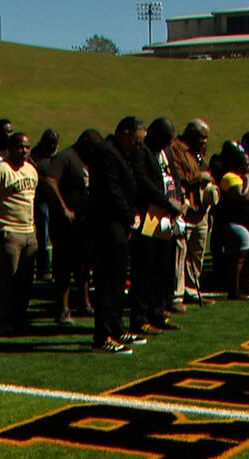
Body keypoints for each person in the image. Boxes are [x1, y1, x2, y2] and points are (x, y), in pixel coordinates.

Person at [89, 117, 144, 354]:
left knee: (119, 280)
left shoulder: (120, 153)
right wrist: (129, 214)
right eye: (135, 140)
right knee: (108, 281)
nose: (137, 146)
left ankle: (116, 327)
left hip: (119, 224)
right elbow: (111, 190)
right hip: (108, 224)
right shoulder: (106, 152)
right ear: (124, 132)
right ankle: (102, 336)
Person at [0, 131, 40, 335]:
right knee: (8, 281)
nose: (23, 151)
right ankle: (6, 320)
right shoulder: (0, 170)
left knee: (25, 281)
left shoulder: (31, 170)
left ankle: (20, 317)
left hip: (29, 232)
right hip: (8, 231)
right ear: (10, 149)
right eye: (19, 147)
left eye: (27, 147)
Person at [128, 117, 183, 333]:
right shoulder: (141, 152)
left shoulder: (166, 152)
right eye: (166, 138)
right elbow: (143, 183)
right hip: (150, 214)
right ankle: (140, 317)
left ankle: (157, 311)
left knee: (163, 264)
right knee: (146, 265)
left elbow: (174, 176)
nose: (169, 144)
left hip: (166, 217)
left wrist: (180, 199)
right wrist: (165, 201)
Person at [44, 129, 99, 326]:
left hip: (84, 224)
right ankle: (62, 310)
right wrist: (64, 209)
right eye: (92, 146)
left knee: (84, 267)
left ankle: (84, 303)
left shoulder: (88, 160)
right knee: (63, 268)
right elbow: (50, 181)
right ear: (84, 141)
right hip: (65, 224)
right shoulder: (65, 157)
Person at [168, 119, 215, 302]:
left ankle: (192, 288)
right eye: (202, 137)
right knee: (180, 253)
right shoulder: (176, 149)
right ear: (191, 134)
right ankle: (177, 293)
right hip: (186, 207)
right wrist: (197, 178)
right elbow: (176, 175)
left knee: (197, 252)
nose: (204, 141)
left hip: (201, 207)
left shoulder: (198, 153)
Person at [215, 140, 249, 298]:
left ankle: (247, 284)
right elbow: (242, 196)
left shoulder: (248, 176)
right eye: (245, 163)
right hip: (237, 222)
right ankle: (234, 288)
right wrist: (246, 179)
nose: (248, 165)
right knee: (238, 257)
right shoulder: (230, 177)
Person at [30, 128, 60, 283]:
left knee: (54, 238)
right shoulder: (34, 158)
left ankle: (54, 268)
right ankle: (43, 269)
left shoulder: (54, 158)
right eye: (52, 144)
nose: (54, 148)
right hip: (41, 200)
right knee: (43, 238)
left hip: (52, 201)